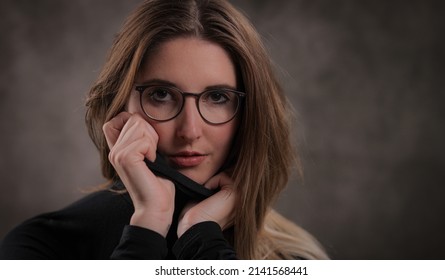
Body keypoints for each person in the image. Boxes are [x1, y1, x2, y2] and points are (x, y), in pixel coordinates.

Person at [0, 0, 328, 260]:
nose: (189, 130)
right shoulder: (41, 249)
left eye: (217, 97)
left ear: (249, 114)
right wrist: (149, 222)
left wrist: (201, 236)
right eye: (161, 95)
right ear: (120, 105)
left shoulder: (294, 255)